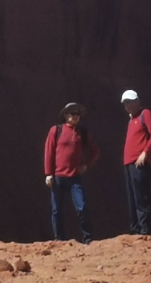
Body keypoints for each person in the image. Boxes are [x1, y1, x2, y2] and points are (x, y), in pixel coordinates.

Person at [43, 102, 99, 243]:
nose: (75, 116)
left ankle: (88, 238)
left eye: (78, 114)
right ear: (66, 115)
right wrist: (48, 173)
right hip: (58, 177)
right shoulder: (56, 130)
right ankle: (59, 239)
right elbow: (49, 152)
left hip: (75, 177)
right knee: (57, 210)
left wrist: (86, 165)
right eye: (72, 113)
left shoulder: (82, 133)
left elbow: (95, 151)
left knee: (82, 207)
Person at [119, 89, 151, 234]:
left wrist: (145, 153)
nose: (128, 106)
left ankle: (144, 230)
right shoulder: (131, 120)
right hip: (129, 163)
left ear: (137, 101)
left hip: (139, 163)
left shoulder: (145, 114)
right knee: (132, 198)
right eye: (125, 103)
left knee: (141, 198)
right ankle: (135, 230)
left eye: (130, 102)